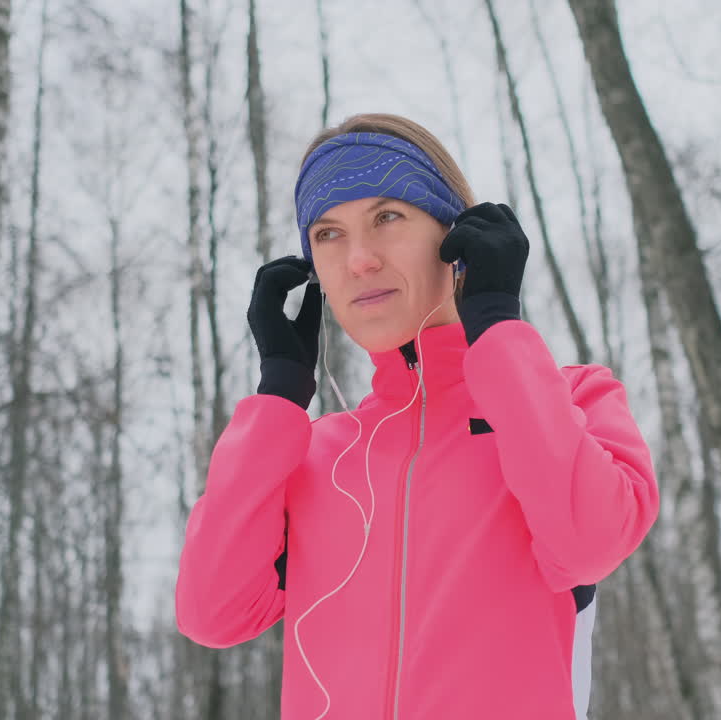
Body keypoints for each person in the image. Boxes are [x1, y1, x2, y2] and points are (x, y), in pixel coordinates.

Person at [175, 113, 658, 720]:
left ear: (455, 236)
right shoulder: (313, 451)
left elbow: (588, 542)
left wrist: (498, 331)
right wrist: (277, 398)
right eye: (327, 234)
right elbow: (212, 613)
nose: (359, 260)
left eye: (387, 218)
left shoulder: (571, 399)